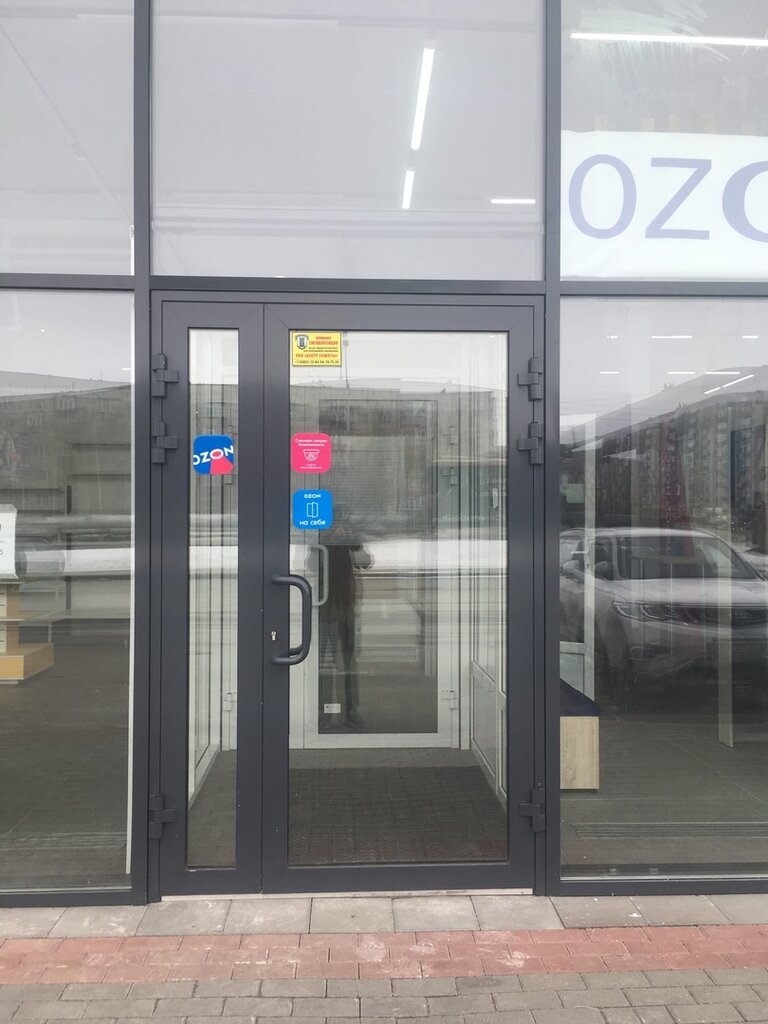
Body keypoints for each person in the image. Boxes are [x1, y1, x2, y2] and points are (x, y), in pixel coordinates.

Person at [317, 516, 372, 731]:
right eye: (334, 526)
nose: (338, 530)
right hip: (323, 609)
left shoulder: (351, 540)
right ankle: (321, 713)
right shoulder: (319, 539)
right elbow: (306, 565)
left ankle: (349, 711)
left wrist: (352, 539)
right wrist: (327, 540)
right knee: (321, 663)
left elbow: (365, 563)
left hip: (346, 608)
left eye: (341, 526)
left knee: (348, 662)